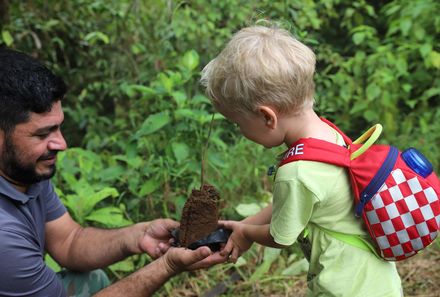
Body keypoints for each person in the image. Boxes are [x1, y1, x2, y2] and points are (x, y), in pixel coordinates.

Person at [0, 48, 227, 297]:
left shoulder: (23, 171)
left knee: (92, 278)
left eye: (58, 128)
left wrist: (138, 235)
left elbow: (69, 241)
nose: (61, 144)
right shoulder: (4, 238)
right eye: (43, 134)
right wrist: (167, 265)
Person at [201, 25, 403, 296]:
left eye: (238, 123)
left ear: (267, 117)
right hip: (375, 280)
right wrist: (248, 223)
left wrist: (247, 235)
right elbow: (297, 202)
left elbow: (280, 237)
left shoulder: (296, 172)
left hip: (345, 287)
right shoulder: (327, 135)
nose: (240, 131)